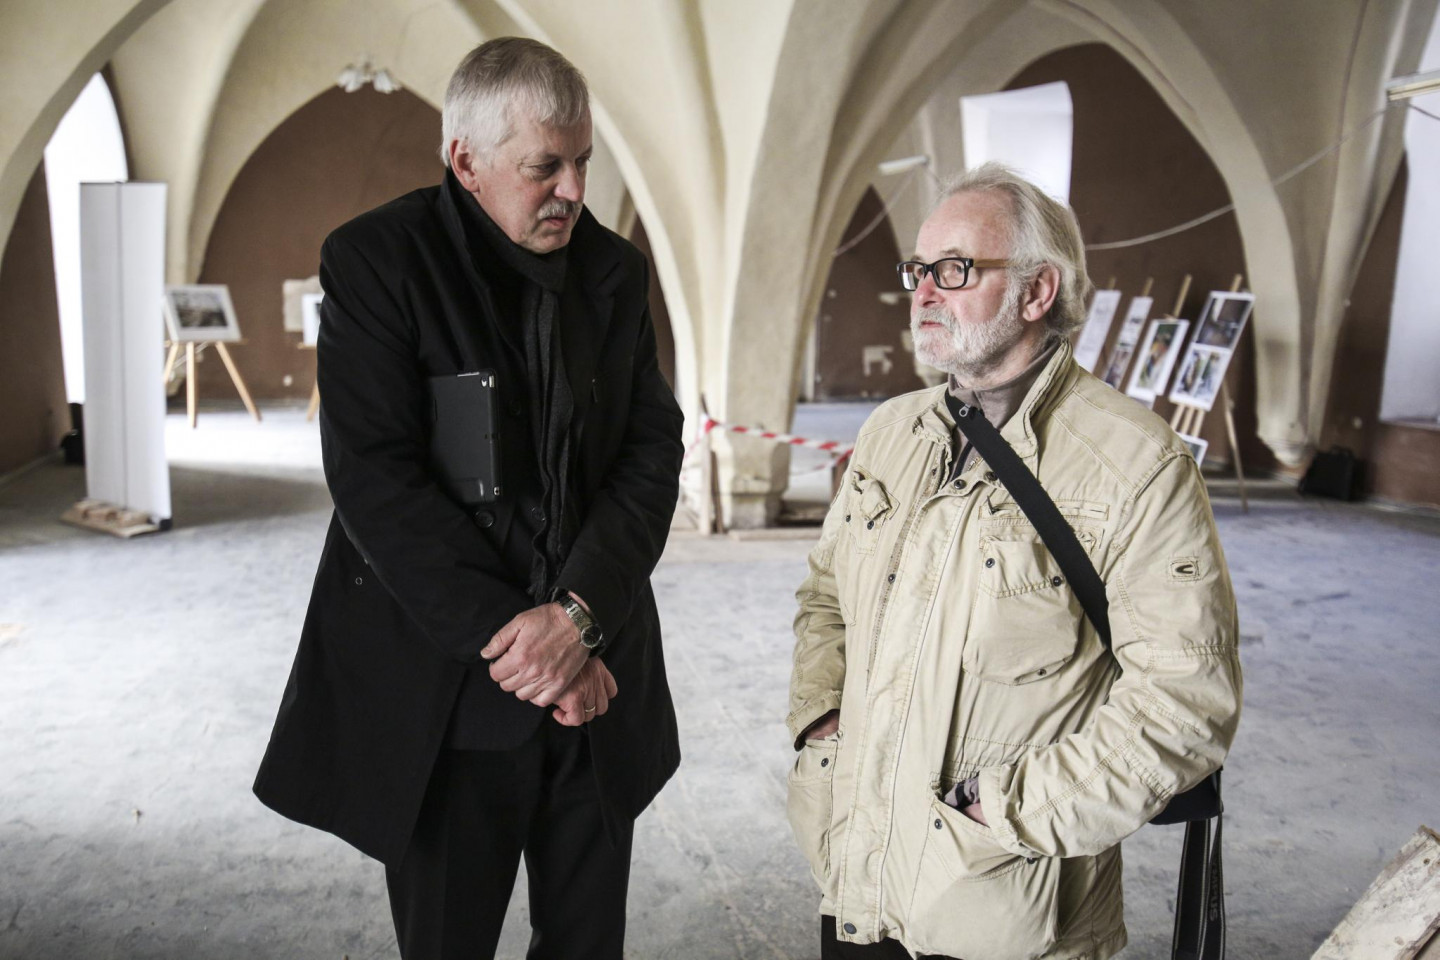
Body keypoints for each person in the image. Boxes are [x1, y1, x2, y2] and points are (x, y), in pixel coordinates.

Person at [253, 37, 684, 960]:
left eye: (583, 162)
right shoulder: (377, 261)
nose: (573, 190)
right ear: (465, 161)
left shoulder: (614, 272)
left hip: (596, 685)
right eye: (545, 167)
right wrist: (535, 650)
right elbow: (377, 480)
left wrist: (578, 619)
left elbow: (649, 455)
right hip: (449, 697)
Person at [786, 163, 1242, 960]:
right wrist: (823, 718)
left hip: (1004, 907)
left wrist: (1003, 813)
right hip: (858, 877)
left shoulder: (1135, 465)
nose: (924, 293)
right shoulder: (892, 433)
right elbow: (827, 594)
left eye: (955, 270)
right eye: (919, 270)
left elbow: (1184, 705)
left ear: (1037, 292)